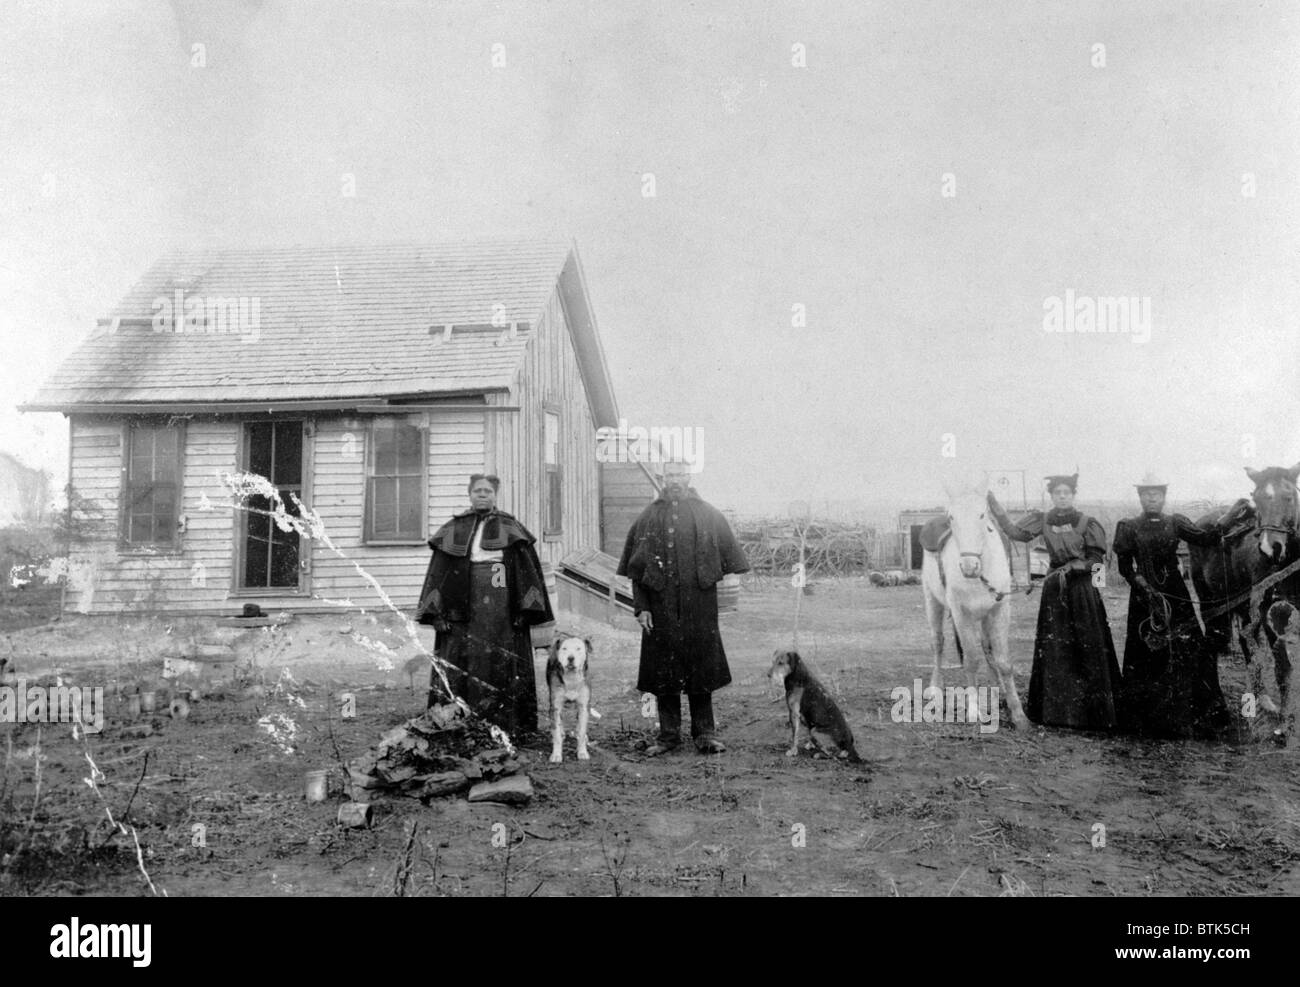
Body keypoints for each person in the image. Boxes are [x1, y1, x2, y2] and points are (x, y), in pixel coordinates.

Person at [617, 460, 750, 754]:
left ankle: (705, 735)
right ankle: (668, 737)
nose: (675, 480)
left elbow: (730, 562)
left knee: (701, 669)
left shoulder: (709, 515)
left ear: (689, 477)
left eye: (681, 474)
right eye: (670, 475)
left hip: (699, 606)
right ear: (663, 478)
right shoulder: (648, 517)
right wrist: (642, 608)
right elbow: (637, 572)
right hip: (660, 608)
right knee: (664, 671)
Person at [1113, 474, 1250, 740]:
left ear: (1163, 497)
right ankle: (1148, 719)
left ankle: (1198, 713)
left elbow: (1207, 537)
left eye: (1157, 493)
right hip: (1144, 598)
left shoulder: (1175, 522)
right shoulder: (1128, 526)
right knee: (1145, 655)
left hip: (1176, 594)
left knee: (1192, 649)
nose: (1152, 498)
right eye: (1146, 493)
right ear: (1140, 497)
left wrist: (1232, 515)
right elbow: (1124, 568)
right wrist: (1147, 590)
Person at [416, 473, 553, 735]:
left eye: (487, 491)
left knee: (500, 661)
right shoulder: (454, 529)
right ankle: (458, 723)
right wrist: (436, 613)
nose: (482, 495)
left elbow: (524, 572)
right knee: (462, 660)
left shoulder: (509, 527)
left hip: (500, 607)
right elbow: (439, 574)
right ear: (469, 494)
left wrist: (524, 611)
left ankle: (505, 726)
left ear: (495, 495)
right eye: (478, 490)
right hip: (462, 606)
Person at [987, 473, 1122, 730]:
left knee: (1088, 646)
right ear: (1051, 496)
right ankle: (1058, 714)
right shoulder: (1044, 520)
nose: (1062, 496)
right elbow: (1016, 532)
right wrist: (994, 505)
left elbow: (1097, 563)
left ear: (1073, 495)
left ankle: (1095, 715)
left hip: (1082, 590)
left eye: (1066, 492)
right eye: (1057, 492)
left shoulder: (1087, 522)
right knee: (1056, 648)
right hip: (1054, 589)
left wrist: (1077, 572)